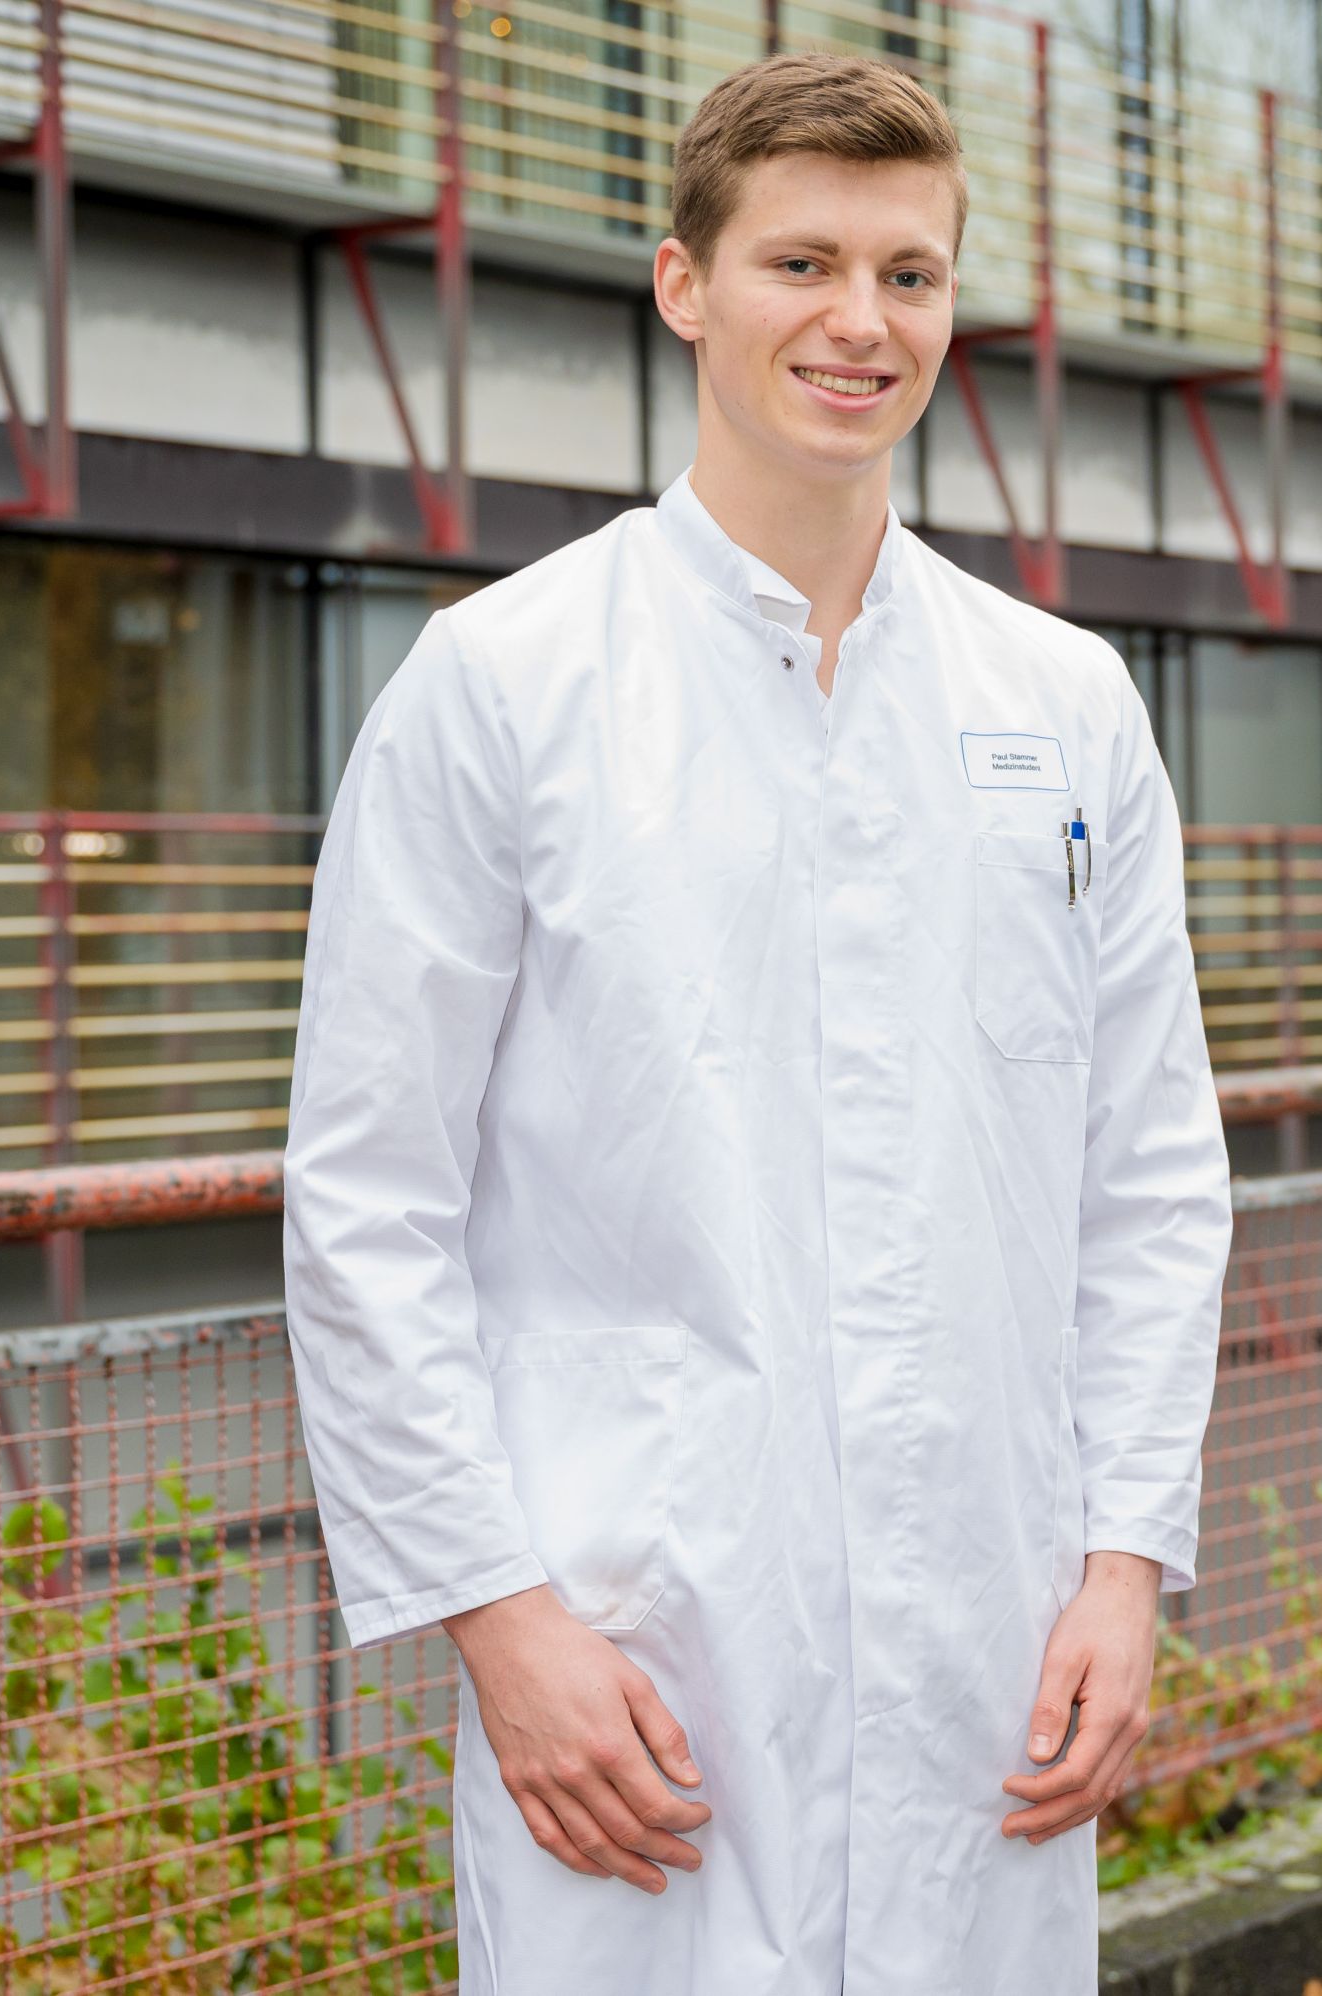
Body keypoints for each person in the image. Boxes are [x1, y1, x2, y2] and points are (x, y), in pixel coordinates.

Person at [281, 53, 1231, 1994]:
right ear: (684, 285)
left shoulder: (1064, 705)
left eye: (910, 274)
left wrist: (1127, 1563)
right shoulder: (505, 684)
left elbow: (1146, 1178)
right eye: (803, 263)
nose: (860, 321)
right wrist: (500, 1618)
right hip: (636, 1671)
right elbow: (369, 1196)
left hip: (990, 1658)